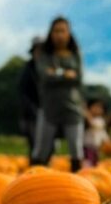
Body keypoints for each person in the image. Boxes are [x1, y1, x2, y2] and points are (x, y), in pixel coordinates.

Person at [31, 16, 86, 171]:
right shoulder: (44, 54)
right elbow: (45, 76)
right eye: (56, 31)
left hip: (72, 108)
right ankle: (33, 180)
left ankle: (78, 183)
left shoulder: (76, 54)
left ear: (69, 33)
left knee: (76, 148)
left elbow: (79, 78)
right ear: (51, 33)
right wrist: (66, 74)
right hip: (49, 107)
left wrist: (56, 73)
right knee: (41, 148)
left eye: (63, 31)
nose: (59, 35)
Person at [18, 36, 44, 159]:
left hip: (48, 112)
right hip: (32, 113)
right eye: (37, 50)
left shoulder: (48, 68)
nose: (39, 53)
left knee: (48, 144)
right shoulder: (28, 70)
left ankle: (45, 168)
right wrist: (32, 109)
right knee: (34, 143)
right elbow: (23, 92)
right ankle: (35, 167)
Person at [83, 99, 109, 167]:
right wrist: (86, 112)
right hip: (87, 146)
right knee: (87, 163)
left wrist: (107, 141)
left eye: (100, 108)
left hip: (96, 147)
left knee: (95, 163)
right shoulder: (86, 120)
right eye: (96, 107)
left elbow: (102, 132)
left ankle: (93, 173)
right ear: (89, 108)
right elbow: (92, 124)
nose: (98, 109)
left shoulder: (100, 120)